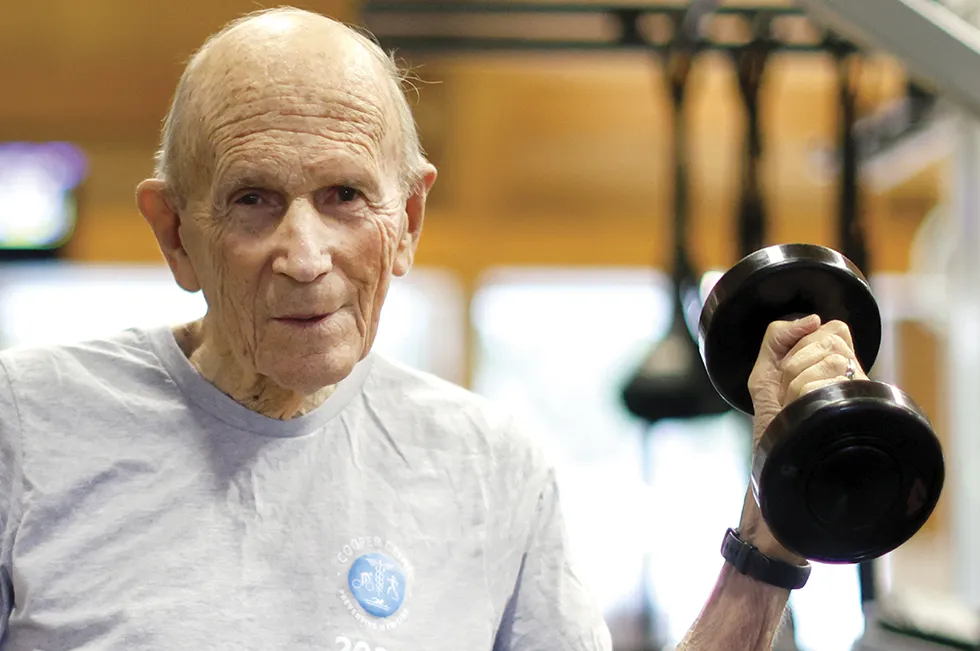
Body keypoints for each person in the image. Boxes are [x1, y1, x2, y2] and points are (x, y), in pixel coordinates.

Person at [0, 7, 869, 650]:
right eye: (252, 200)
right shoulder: (24, 424)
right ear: (174, 232)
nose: (304, 255)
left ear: (409, 219)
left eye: (343, 196)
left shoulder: (490, 465)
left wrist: (772, 527)